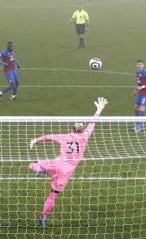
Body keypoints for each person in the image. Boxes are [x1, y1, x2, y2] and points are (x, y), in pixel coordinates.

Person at [29, 97, 108, 228]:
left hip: (57, 163)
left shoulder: (64, 137)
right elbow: (92, 124)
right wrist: (98, 110)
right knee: (53, 194)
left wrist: (36, 140)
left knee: (33, 163)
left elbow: (49, 137)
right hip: (67, 170)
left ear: (71, 128)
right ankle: (43, 216)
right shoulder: (84, 136)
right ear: (82, 129)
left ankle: (41, 169)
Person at [132, 60, 146, 133]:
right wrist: (136, 90)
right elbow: (139, 83)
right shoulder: (137, 73)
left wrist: (143, 87)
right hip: (140, 93)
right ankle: (139, 122)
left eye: (141, 64)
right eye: (138, 64)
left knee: (141, 109)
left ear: (143, 65)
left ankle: (140, 126)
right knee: (136, 108)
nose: (139, 65)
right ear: (136, 65)